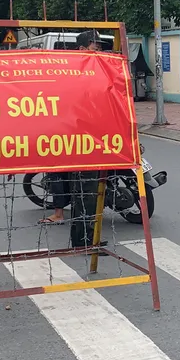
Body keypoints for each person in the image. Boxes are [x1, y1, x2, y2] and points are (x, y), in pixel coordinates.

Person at [40, 30, 104, 227]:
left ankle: (74, 215)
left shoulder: (95, 68)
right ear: (82, 49)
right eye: (95, 48)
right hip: (73, 128)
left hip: (90, 128)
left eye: (100, 48)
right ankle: (63, 214)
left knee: (60, 170)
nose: (98, 52)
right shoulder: (74, 69)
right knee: (58, 169)